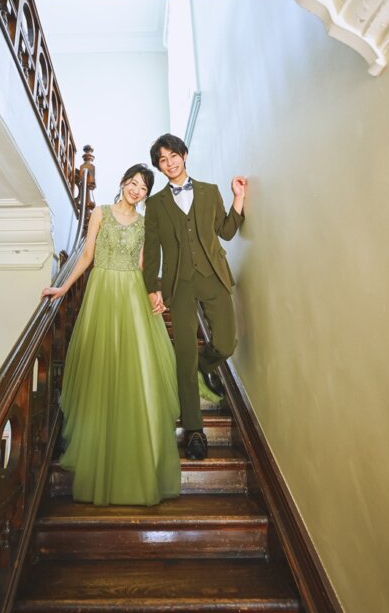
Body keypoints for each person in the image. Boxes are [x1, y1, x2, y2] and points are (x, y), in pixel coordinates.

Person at [42, 164, 181, 506]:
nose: (136, 190)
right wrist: (62, 288)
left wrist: (156, 294)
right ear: (122, 182)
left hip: (132, 296)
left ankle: (136, 454)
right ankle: (99, 453)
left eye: (143, 187)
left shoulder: (145, 224)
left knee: (135, 371)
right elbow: (87, 256)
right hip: (102, 292)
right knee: (101, 370)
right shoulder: (100, 213)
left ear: (146, 194)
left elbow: (144, 266)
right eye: (133, 183)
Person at [143, 134, 247, 461]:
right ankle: (194, 430)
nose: (170, 163)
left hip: (213, 276)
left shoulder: (210, 191)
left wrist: (238, 198)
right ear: (159, 167)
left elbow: (226, 231)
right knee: (184, 355)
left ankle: (205, 366)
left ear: (184, 155)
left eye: (173, 155)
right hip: (179, 285)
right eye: (163, 160)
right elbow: (152, 250)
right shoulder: (155, 204)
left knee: (227, 344)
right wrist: (152, 287)